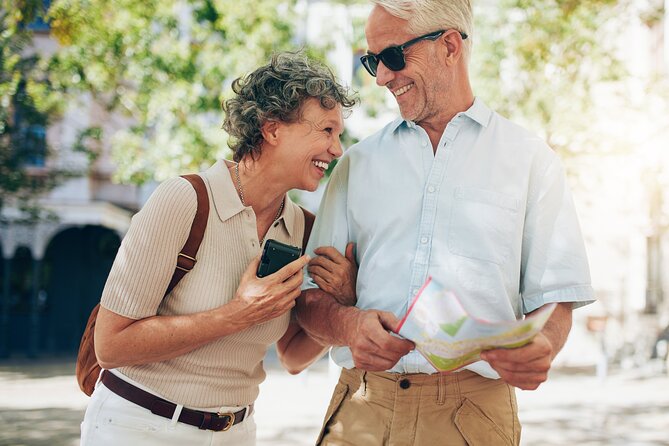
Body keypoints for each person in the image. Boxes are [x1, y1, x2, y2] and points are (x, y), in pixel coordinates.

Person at [296, 1, 596, 445]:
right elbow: (308, 299)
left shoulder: (532, 161)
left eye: (393, 57)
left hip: (473, 416)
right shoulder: (356, 164)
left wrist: (543, 347)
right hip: (361, 408)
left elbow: (556, 301)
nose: (381, 77)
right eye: (372, 61)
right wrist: (347, 326)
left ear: (450, 46)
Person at [79, 52, 357, 446]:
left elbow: (293, 356)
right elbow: (110, 346)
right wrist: (236, 315)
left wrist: (344, 301)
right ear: (272, 128)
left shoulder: (303, 229)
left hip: (236, 432)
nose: (337, 150)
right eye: (327, 130)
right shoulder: (185, 200)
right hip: (138, 427)